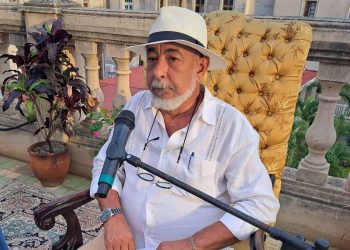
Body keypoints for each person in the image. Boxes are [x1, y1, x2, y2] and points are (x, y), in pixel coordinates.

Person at [83, 6, 279, 250]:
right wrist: (112, 216)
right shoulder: (136, 107)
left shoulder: (231, 127)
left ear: (200, 68)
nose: (158, 71)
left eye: (172, 59)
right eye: (152, 59)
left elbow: (259, 205)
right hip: (126, 242)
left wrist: (192, 244)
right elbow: (106, 164)